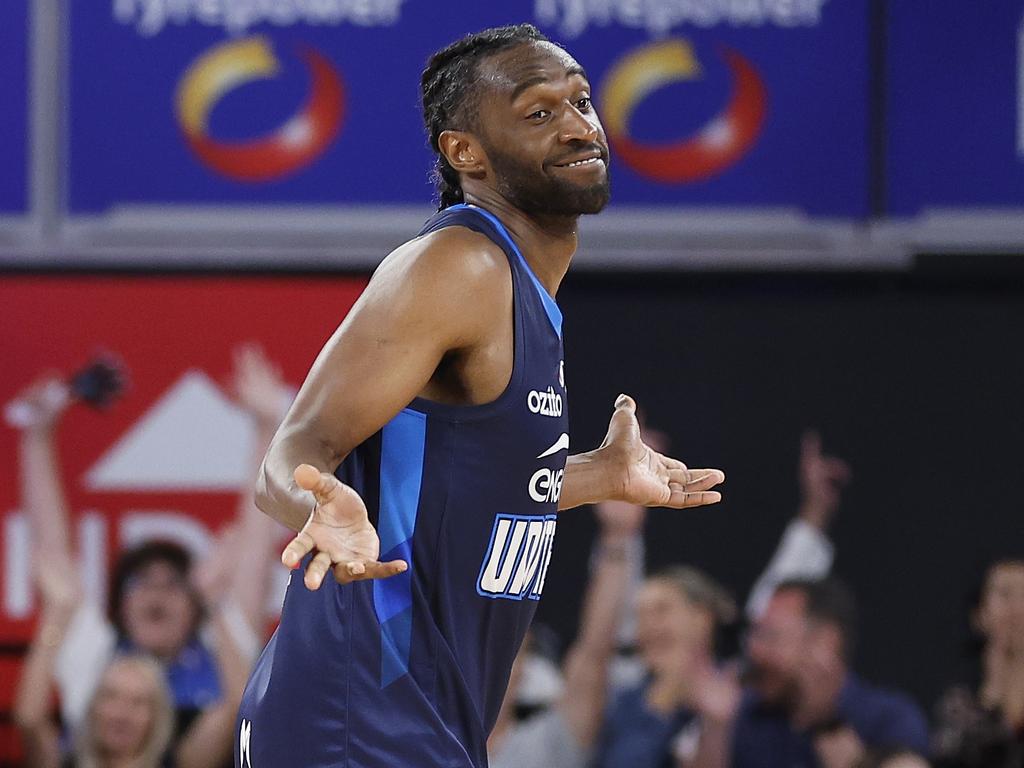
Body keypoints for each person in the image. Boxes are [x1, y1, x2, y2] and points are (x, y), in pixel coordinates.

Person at [236, 23, 725, 768]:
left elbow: (457, 483)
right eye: (538, 113)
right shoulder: (459, 266)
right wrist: (318, 509)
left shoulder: (522, 288)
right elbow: (294, 452)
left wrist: (596, 475)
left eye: (581, 101)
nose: (576, 125)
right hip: (358, 711)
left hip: (416, 716)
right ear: (465, 151)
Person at [11, 344, 288, 767]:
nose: (157, 593)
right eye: (142, 583)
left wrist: (267, 426)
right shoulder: (96, 660)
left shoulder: (219, 648)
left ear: (193, 605)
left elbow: (252, 552)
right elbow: (52, 555)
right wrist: (37, 436)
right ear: (121, 604)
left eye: (173, 584)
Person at [687, 578, 929, 768]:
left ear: (825, 644)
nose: (754, 650)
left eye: (771, 636)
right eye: (755, 634)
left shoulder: (889, 719)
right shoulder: (748, 714)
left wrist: (826, 723)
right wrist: (716, 727)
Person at [488, 496, 648, 768]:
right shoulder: (424, 736)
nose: (495, 661)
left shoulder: (547, 743)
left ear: (524, 671)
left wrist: (618, 537)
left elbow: (595, 650)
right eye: (487, 647)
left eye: (512, 651)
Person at [932, 557, 1024, 768]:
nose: (1017, 608)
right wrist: (991, 697)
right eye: (1005, 594)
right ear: (980, 615)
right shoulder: (960, 694)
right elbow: (949, 759)